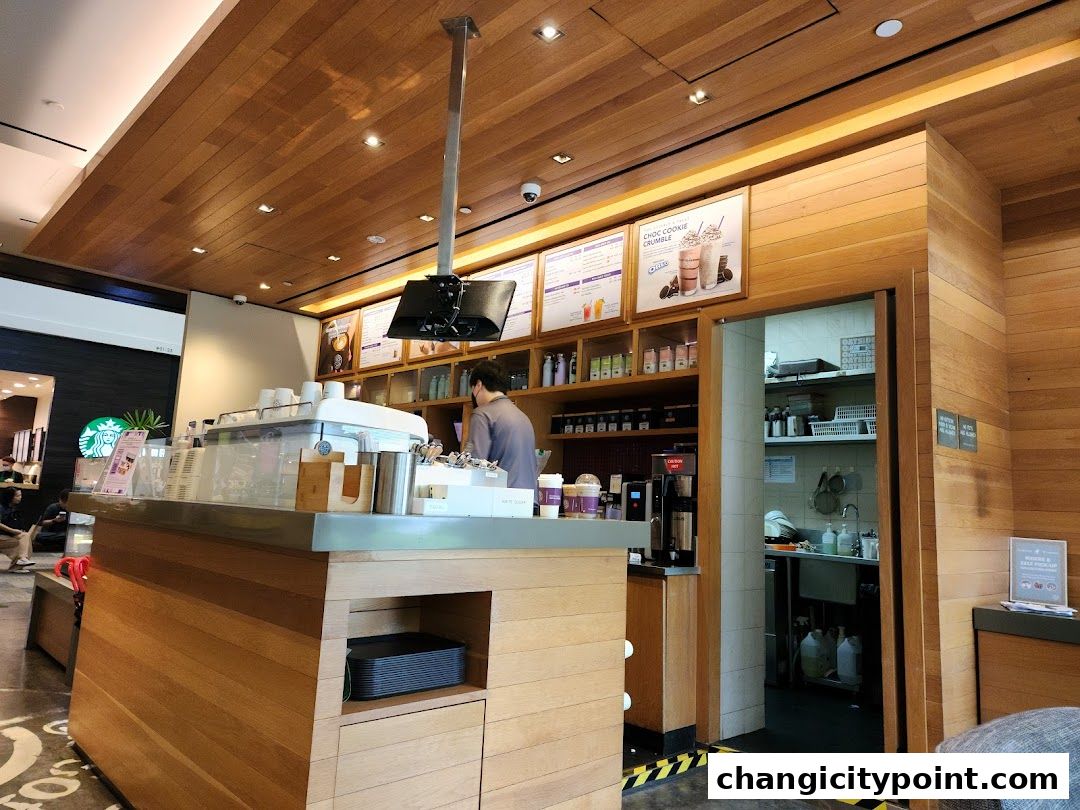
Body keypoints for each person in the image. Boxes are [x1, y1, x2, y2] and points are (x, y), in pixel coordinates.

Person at [467, 360, 537, 495]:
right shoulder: (523, 417)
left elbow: (474, 464)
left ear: (478, 385)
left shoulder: (482, 414)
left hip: (499, 501)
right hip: (528, 502)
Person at [0, 487, 32, 571]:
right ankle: (18, 563)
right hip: (2, 536)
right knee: (22, 542)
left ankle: (21, 559)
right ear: (10, 497)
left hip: (6, 535)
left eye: (20, 495)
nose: (20, 497)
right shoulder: (1, 508)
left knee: (26, 537)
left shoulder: (13, 508)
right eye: (17, 496)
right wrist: (13, 530)